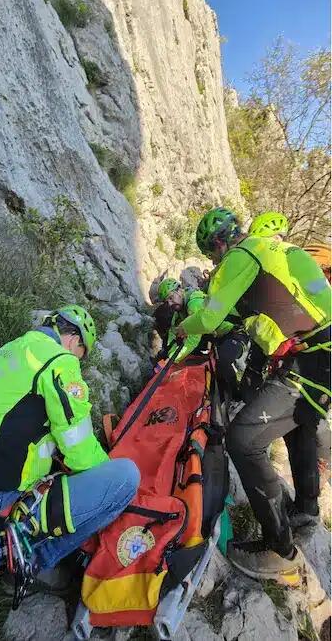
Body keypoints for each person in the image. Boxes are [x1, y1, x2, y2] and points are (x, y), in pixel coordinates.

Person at [173, 207, 330, 580]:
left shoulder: (240, 255)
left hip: (316, 358)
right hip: (318, 354)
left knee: (243, 440)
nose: (216, 263)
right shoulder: (269, 251)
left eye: (213, 255)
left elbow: (209, 317)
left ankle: (280, 550)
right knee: (299, 424)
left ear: (218, 243)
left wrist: (183, 328)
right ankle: (305, 511)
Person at [0, 306, 140, 590]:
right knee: (126, 478)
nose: (78, 361)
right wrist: (104, 477)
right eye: (81, 354)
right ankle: (34, 562)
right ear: (74, 341)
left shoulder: (12, 350)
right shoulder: (59, 361)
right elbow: (80, 451)